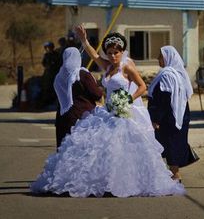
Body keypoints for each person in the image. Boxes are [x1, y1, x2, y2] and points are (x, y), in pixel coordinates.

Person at [30, 25, 184, 198]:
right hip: (109, 111)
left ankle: (130, 181)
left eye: (116, 52)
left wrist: (128, 99)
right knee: (105, 148)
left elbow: (142, 87)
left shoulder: (126, 67)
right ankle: (107, 182)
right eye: (109, 52)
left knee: (125, 148)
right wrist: (84, 40)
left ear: (122, 51)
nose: (112, 56)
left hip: (125, 112)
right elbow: (94, 55)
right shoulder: (108, 66)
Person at [147, 46, 197, 183]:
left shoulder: (167, 75)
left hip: (168, 118)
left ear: (168, 57)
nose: (158, 59)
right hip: (178, 115)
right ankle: (173, 173)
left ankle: (175, 175)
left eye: (160, 56)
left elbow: (164, 98)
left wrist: (156, 119)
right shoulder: (178, 74)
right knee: (172, 143)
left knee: (167, 144)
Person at [53, 47, 103, 148]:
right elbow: (97, 94)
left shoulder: (59, 75)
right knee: (80, 150)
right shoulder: (82, 74)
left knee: (64, 150)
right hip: (82, 116)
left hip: (63, 117)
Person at [40, 42, 60, 107]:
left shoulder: (56, 54)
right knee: (46, 88)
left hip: (55, 74)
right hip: (48, 74)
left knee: (55, 88)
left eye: (48, 47)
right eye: (46, 48)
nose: (47, 49)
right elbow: (43, 63)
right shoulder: (46, 55)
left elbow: (58, 63)